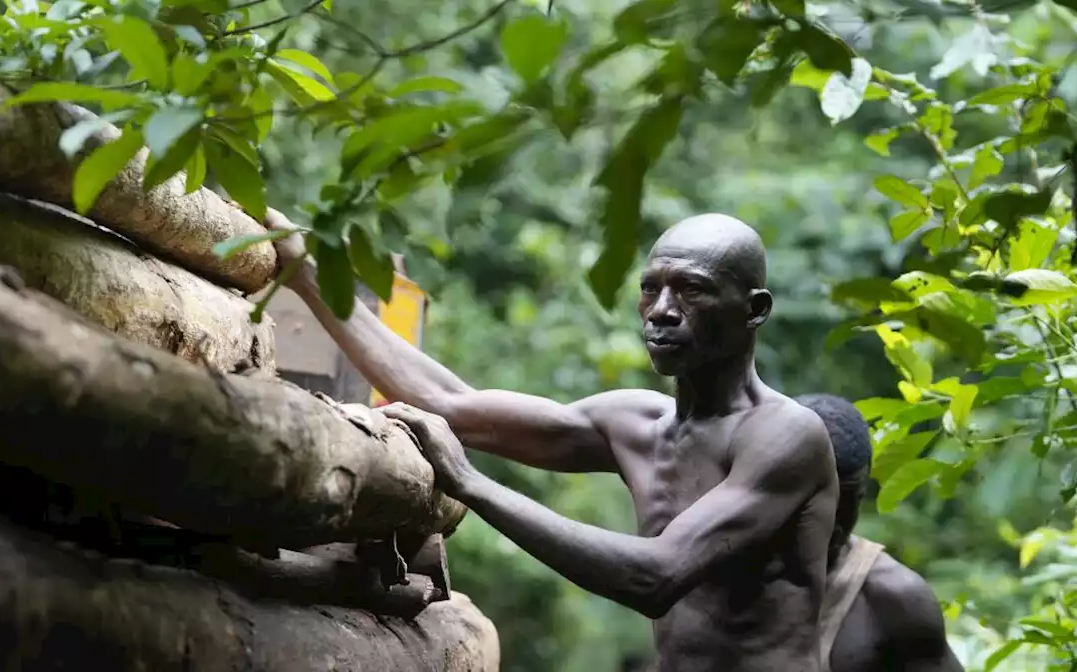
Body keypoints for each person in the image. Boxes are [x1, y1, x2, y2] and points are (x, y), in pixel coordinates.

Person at [265, 209, 839, 672]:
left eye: (692, 290)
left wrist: (469, 483)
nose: (662, 311)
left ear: (754, 310)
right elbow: (449, 404)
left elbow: (656, 576)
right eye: (651, 289)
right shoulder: (635, 422)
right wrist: (305, 269)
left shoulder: (786, 435)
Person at [794, 393, 964, 672]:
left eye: (850, 501)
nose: (835, 523)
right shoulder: (720, 567)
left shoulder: (895, 601)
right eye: (814, 501)